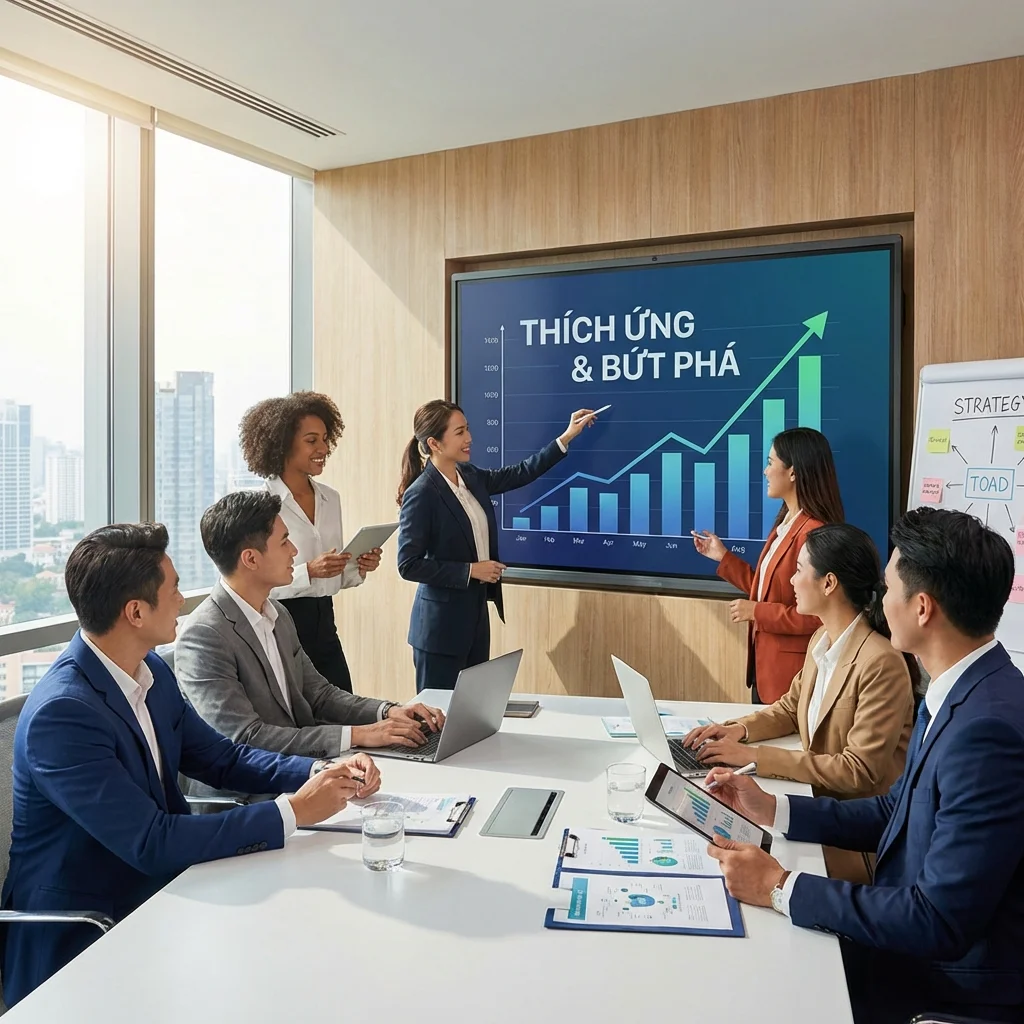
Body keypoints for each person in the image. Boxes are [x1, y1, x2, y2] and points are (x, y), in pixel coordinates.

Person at [0, 524, 381, 1007]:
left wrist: (318, 772)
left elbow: (221, 758)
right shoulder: (64, 715)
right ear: (136, 612)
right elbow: (151, 842)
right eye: (174, 589)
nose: (182, 601)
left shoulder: (151, 670)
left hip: (165, 896)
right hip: (88, 934)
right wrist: (295, 811)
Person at [704, 508, 1024, 1024]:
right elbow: (896, 811)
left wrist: (781, 887)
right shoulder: (961, 691)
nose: (880, 598)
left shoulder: (986, 731)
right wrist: (773, 809)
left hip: (943, 985)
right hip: (905, 943)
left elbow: (937, 919)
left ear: (922, 608)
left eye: (889, 586)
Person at [683, 523, 916, 882]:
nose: (791, 581)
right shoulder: (822, 638)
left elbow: (857, 770)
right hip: (817, 810)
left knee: (734, 861)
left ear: (829, 583)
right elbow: (791, 708)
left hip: (856, 839)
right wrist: (737, 731)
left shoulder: (880, 662)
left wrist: (754, 757)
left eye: (798, 570)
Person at [175, 491, 445, 799]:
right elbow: (247, 738)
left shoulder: (277, 613)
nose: (294, 551)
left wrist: (388, 712)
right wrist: (360, 735)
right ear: (250, 559)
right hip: (250, 798)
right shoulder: (204, 636)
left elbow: (319, 695)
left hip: (303, 773)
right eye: (284, 542)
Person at [397, 400, 597, 692]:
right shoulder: (422, 493)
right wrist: (470, 570)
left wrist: (565, 438)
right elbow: (408, 564)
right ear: (434, 443)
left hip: (475, 619)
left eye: (467, 429)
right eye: (460, 432)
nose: (469, 438)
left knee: (473, 709)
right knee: (438, 715)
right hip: (440, 630)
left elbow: (520, 473)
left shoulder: (469, 476)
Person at [239, 391, 378, 694]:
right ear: (283, 443)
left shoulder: (331, 498)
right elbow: (250, 583)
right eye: (312, 440)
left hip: (325, 625)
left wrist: (358, 567)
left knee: (344, 707)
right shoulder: (261, 505)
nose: (323, 448)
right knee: (296, 716)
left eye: (325, 439)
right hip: (280, 624)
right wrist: (309, 571)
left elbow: (335, 579)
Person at [692, 427, 844, 703]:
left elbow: (818, 617)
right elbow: (768, 590)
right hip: (765, 672)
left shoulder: (812, 533)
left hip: (789, 678)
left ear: (793, 472)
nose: (765, 471)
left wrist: (757, 612)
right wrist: (723, 558)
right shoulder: (786, 524)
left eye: (771, 462)